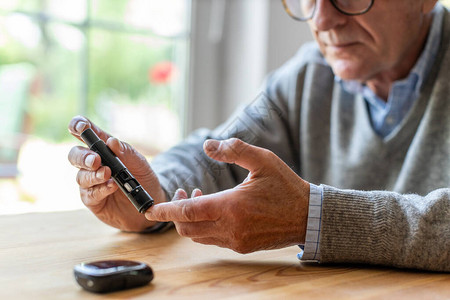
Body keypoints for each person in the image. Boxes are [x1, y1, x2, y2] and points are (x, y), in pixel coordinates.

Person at [68, 0, 450, 272]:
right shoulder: (309, 74)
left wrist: (312, 218)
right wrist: (155, 193)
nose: (322, 18)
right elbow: (219, 149)